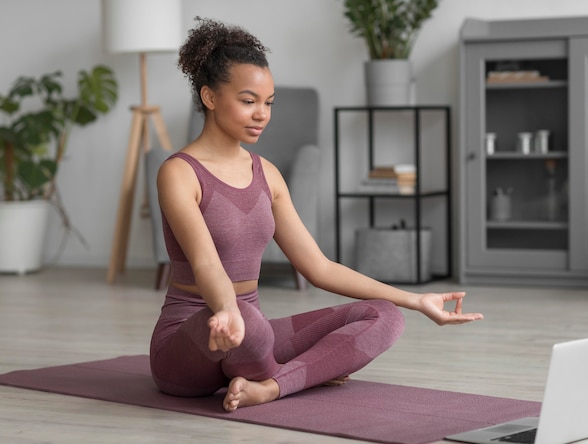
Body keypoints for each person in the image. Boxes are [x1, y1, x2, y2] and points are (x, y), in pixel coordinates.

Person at [149, 18, 483, 413]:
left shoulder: (267, 175)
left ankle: (270, 385)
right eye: (248, 100)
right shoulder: (179, 172)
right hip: (190, 343)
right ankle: (294, 374)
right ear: (209, 96)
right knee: (249, 321)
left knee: (383, 315)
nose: (262, 114)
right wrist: (225, 310)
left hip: (248, 336)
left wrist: (416, 299)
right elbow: (206, 264)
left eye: (268, 102)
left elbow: (319, 267)